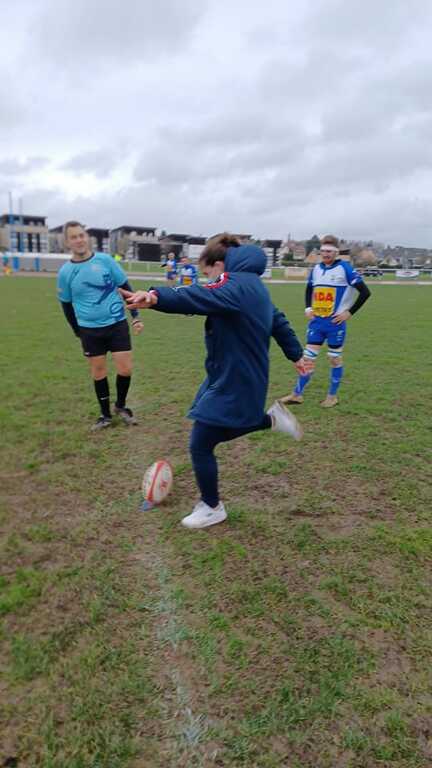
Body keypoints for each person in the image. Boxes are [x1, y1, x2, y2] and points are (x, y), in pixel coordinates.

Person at [122, 233, 306, 530]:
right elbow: (278, 319)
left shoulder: (234, 284)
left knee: (201, 442)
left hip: (238, 376)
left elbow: (198, 296)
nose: (208, 279)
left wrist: (156, 297)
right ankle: (269, 420)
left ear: (220, 265)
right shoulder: (253, 285)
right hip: (230, 373)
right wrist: (296, 354)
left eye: (207, 272)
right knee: (211, 430)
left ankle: (212, 507)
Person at [57, 221, 144, 430]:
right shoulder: (65, 272)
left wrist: (135, 316)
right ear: (67, 242)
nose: (79, 240)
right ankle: (105, 415)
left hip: (117, 324)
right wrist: (78, 332)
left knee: (125, 369)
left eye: (81, 235)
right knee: (98, 372)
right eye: (73, 237)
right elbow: (66, 305)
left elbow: (126, 288)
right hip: (89, 329)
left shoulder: (105, 260)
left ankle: (121, 406)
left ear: (87, 237)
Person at [283, 234, 371, 408]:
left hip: (335, 324)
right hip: (317, 323)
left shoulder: (345, 268)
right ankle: (297, 395)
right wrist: (308, 308)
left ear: (336, 252)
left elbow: (365, 292)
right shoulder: (316, 269)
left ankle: (332, 396)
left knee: (334, 359)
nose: (325, 254)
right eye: (323, 251)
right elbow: (309, 289)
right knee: (307, 359)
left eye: (329, 251)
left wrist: (349, 313)